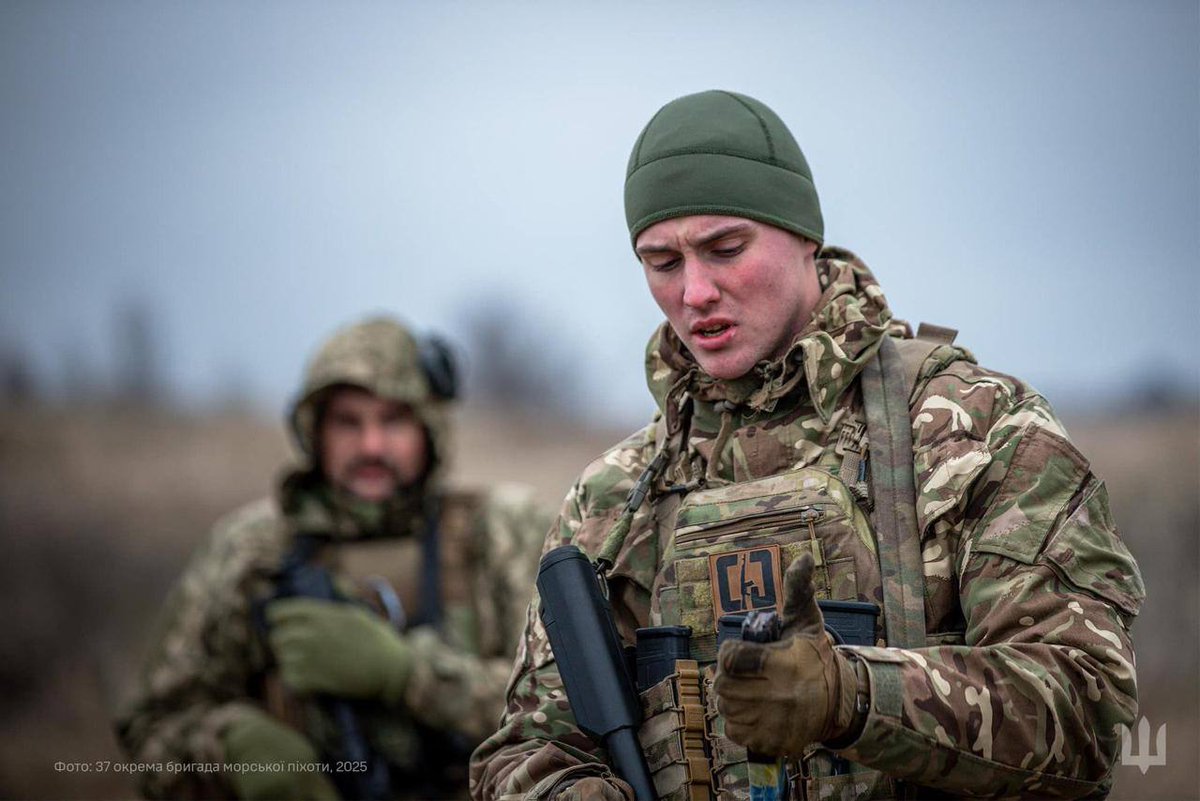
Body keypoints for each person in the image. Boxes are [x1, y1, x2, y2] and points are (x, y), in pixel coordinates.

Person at [469, 91, 1144, 801]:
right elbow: (525, 750)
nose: (695, 290)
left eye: (726, 248)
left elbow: (1086, 711)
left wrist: (853, 695)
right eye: (661, 262)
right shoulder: (613, 501)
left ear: (803, 236)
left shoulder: (973, 432)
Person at [116, 316, 550, 800]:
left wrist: (409, 675)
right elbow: (152, 725)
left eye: (394, 420)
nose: (371, 446)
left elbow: (562, 712)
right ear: (314, 431)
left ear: (431, 430)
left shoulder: (502, 534)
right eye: (348, 421)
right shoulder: (253, 551)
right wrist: (236, 748)